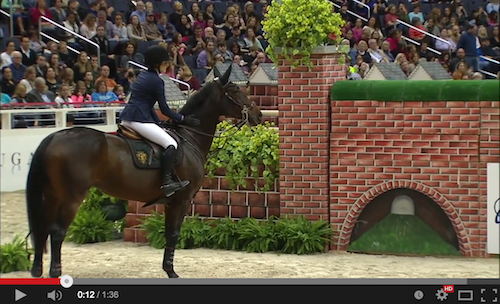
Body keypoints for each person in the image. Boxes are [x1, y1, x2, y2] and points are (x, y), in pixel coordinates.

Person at [119, 45, 200, 198]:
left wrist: (158, 123)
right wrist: (183, 119)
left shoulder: (143, 75)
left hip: (130, 117)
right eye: (165, 62)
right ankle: (167, 183)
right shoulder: (157, 80)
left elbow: (148, 104)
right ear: (158, 63)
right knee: (171, 144)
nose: (168, 65)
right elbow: (165, 109)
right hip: (138, 120)